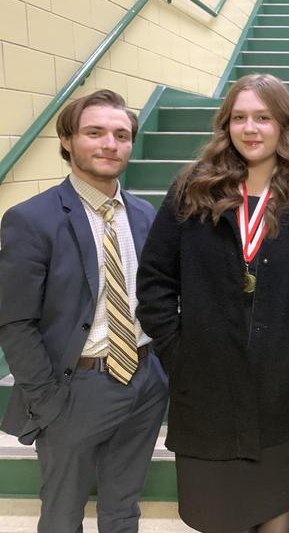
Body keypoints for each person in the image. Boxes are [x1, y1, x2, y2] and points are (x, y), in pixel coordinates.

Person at [136, 74, 289, 533]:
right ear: (226, 124)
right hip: (207, 394)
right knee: (217, 518)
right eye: (240, 117)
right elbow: (155, 282)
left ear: (283, 124)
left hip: (281, 392)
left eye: (263, 117)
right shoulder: (193, 188)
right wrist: (181, 353)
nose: (250, 128)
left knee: (276, 514)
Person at [0, 89, 168, 532]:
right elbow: (16, 322)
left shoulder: (145, 214)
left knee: (123, 507)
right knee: (61, 514)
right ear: (67, 139)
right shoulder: (31, 219)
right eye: (94, 133)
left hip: (145, 380)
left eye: (121, 134)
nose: (110, 144)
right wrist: (47, 400)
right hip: (75, 387)